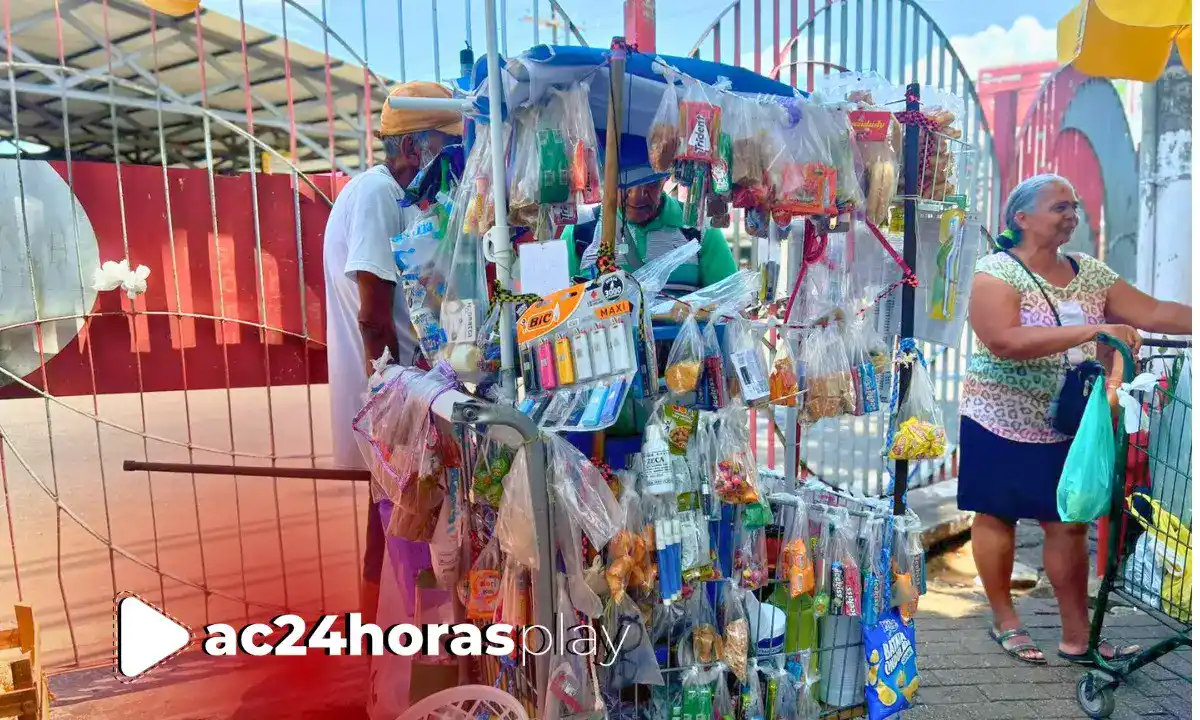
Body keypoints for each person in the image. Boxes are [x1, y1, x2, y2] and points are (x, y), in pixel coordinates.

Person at [959, 173, 1191, 667]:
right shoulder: (996, 272)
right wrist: (1092, 329)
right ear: (1021, 218)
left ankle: (1077, 638)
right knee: (997, 513)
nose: (1071, 215)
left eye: (1074, 206)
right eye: (1059, 207)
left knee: (1068, 521)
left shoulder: (1091, 272)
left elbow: (1153, 311)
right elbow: (1003, 339)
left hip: (1070, 421)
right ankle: (1006, 619)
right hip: (1000, 416)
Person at [322, 81, 462, 624]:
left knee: (386, 526)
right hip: (394, 395)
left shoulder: (392, 196)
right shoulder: (378, 194)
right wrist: (391, 399)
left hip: (401, 391)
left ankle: (376, 645)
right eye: (443, 150)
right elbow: (372, 314)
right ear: (411, 148)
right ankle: (395, 643)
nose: (449, 166)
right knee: (401, 524)